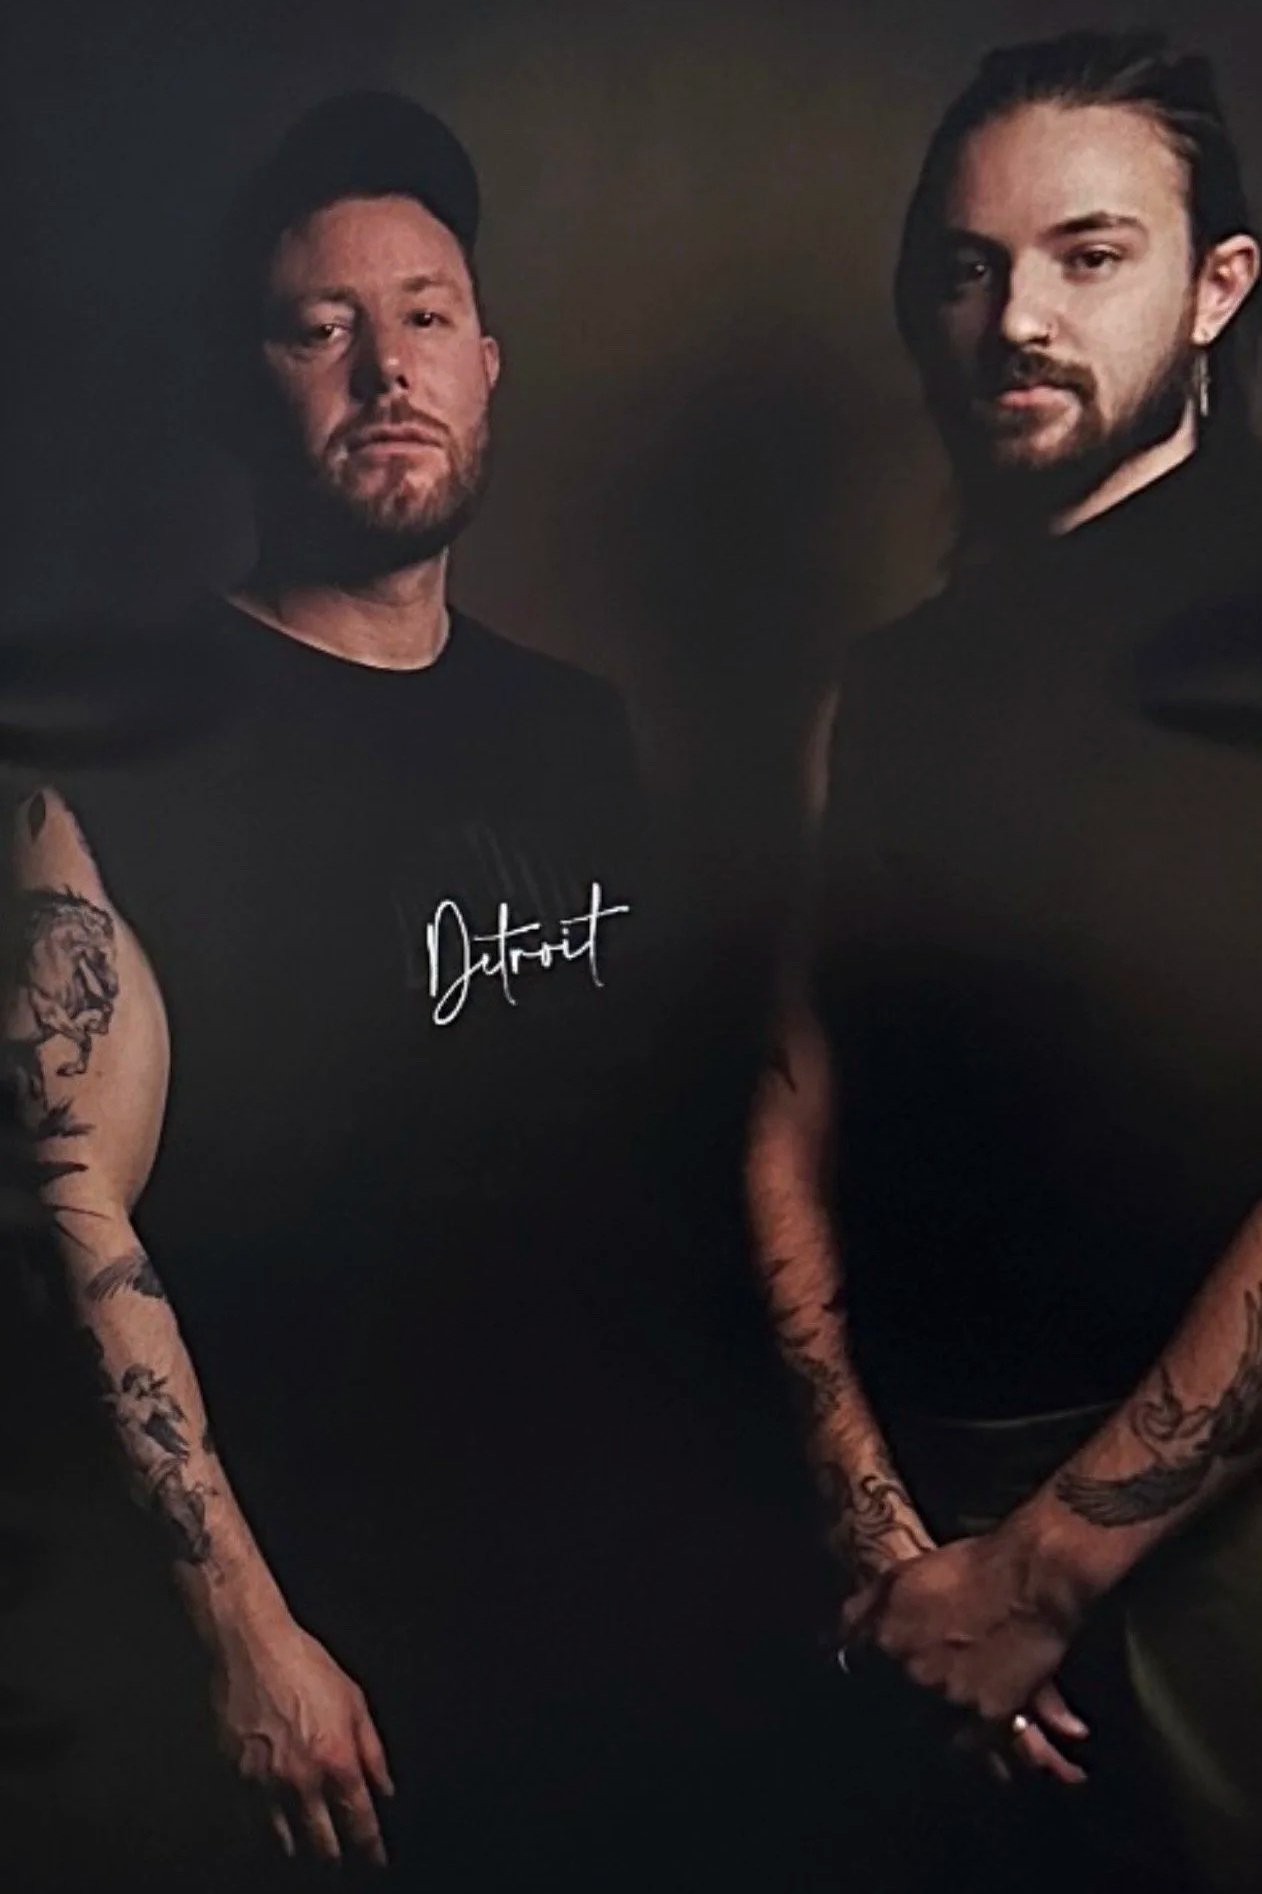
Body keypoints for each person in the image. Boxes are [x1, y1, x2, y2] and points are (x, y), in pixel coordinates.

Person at [3, 91, 664, 1891]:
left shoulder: (576, 731)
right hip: (319, 1668)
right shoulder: (122, 757)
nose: (385, 367)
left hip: (592, 1620)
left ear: (487, 360)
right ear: (252, 388)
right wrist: (241, 1635)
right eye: (321, 329)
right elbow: (73, 1202)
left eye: (424, 315)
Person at [748, 32, 1262, 1893]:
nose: (1015, 315)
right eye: (968, 267)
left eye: (1088, 253)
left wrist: (1044, 1568)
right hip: (917, 1537)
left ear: (1218, 286)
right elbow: (794, 1105)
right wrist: (891, 1538)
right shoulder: (875, 690)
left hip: (1210, 1534)